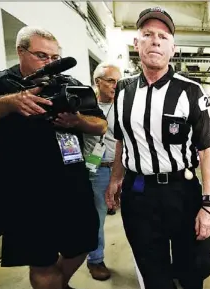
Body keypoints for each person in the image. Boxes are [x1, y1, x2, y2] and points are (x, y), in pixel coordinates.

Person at [104, 7, 210, 289]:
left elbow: (208, 150)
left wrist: (209, 205)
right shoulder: (123, 90)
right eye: (147, 35)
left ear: (173, 48)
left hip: (181, 192)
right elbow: (122, 139)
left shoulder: (191, 91)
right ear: (137, 44)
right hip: (138, 193)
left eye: (163, 36)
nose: (155, 41)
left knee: (191, 269)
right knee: (152, 270)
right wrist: (116, 179)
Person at [0, 26, 106, 289]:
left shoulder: (71, 84)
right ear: (20, 51)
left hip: (72, 183)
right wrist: (10, 103)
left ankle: (58, 284)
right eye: (42, 55)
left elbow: (100, 124)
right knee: (41, 258)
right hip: (24, 188)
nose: (50, 63)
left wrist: (77, 121)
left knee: (84, 243)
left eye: (54, 57)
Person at [82, 62, 122, 281]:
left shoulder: (123, 106)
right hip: (93, 168)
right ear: (97, 82)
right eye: (110, 80)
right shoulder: (84, 106)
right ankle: (95, 259)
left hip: (119, 168)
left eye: (118, 81)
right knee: (96, 217)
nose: (115, 85)